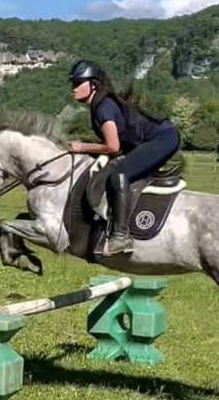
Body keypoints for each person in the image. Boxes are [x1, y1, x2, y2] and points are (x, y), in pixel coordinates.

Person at [68, 60, 180, 255]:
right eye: (73, 84)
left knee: (118, 176)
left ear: (93, 84)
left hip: (163, 139)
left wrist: (81, 146)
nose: (74, 89)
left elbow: (112, 146)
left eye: (78, 83)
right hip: (156, 139)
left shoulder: (103, 107)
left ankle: (120, 237)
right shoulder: (99, 104)